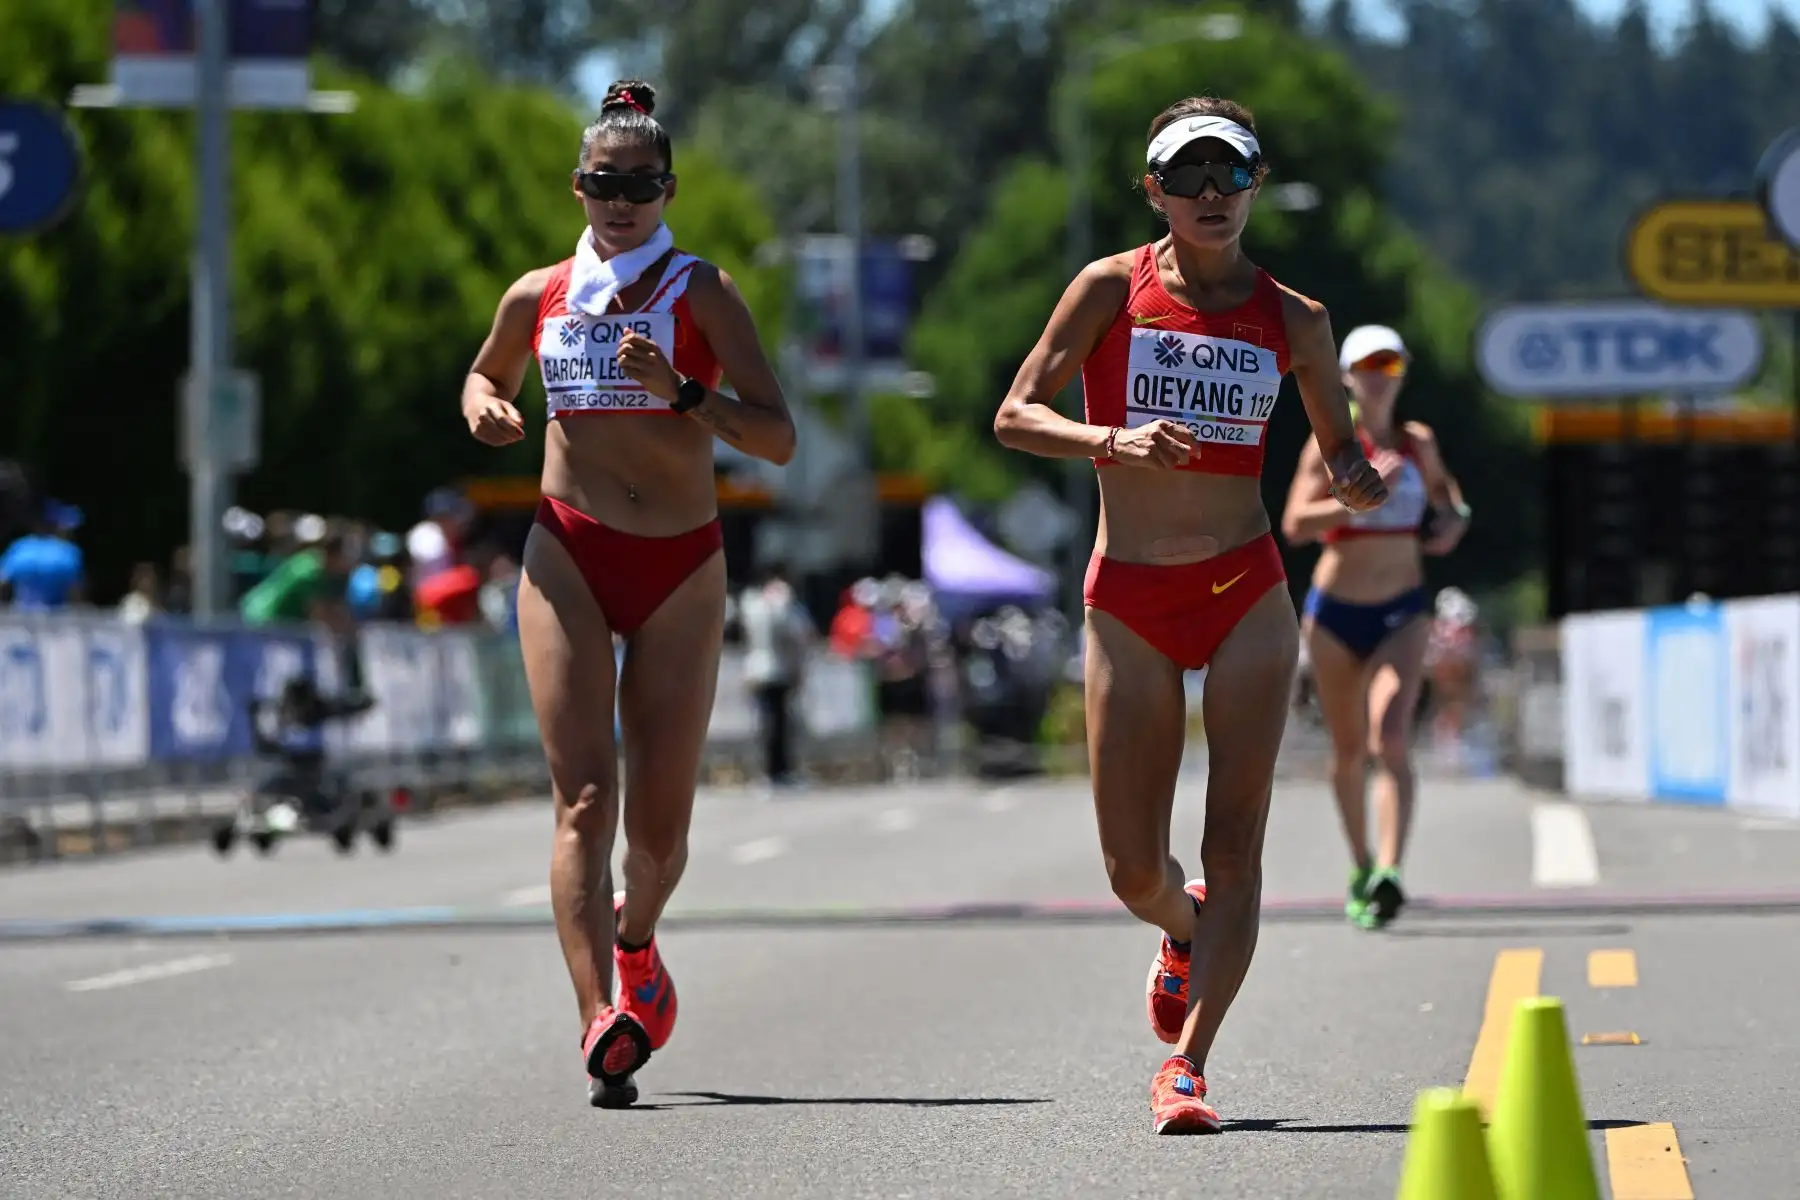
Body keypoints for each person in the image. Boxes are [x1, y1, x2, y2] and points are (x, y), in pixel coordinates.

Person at [992, 96, 1387, 1134]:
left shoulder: (1297, 319)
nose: (1212, 195)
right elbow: (1014, 414)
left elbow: (1338, 445)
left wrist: (1356, 477)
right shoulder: (1107, 289)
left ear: (1256, 185)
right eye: (1189, 176)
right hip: (1128, 598)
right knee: (1132, 867)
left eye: (1232, 175)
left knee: (1237, 841)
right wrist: (1112, 441)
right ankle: (1180, 929)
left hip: (1246, 589)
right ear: (1154, 190)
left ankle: (1189, 1065)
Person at [459, 78, 795, 1108]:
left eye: (642, 185)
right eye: (605, 183)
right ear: (578, 186)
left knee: (656, 833)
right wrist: (486, 408)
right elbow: (484, 376)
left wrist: (685, 394)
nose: (622, 201)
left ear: (668, 189)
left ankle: (639, 941)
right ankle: (600, 1014)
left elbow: (776, 437)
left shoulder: (702, 292)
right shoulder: (538, 293)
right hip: (568, 549)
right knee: (583, 802)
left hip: (681, 564)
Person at [1280, 325, 1470, 930]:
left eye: (1390, 364)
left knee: (1390, 739)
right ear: (1346, 377)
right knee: (1348, 750)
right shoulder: (1334, 445)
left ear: (1402, 373)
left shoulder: (1419, 443)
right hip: (1336, 613)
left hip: (1403, 610)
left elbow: (1448, 497)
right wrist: (1357, 496)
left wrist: (1454, 520)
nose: (1379, 376)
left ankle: (1390, 869)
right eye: (1367, 365)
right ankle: (1360, 863)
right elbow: (1294, 525)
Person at [738, 562, 814, 787]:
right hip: (778, 669)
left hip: (755, 667)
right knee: (780, 725)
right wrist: (798, 665)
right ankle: (780, 771)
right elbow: (795, 633)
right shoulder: (781, 600)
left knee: (768, 723)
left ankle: (771, 771)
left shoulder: (751, 602)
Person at [0, 500, 85, 611]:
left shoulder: (20, 548)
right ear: (55, 525)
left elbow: (2, 584)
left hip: (20, 617)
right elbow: (76, 594)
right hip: (57, 621)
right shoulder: (68, 552)